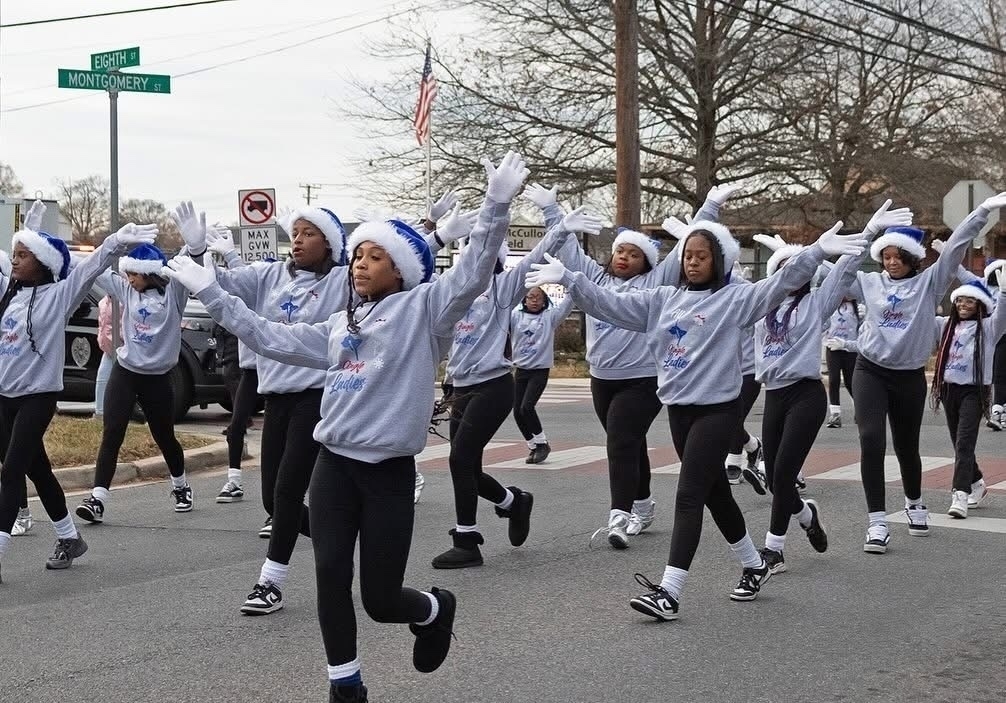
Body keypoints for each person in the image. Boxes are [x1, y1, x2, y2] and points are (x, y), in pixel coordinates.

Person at [163, 151, 528, 703]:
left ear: (402, 270)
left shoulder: (425, 311)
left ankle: (432, 608)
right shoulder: (338, 325)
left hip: (387, 475)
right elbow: (266, 336)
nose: (360, 264)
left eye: (376, 257)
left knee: (380, 600)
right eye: (357, 256)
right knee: (330, 575)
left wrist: (495, 205)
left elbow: (475, 270)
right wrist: (210, 290)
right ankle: (345, 683)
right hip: (334, 466)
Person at [527, 216, 867, 619]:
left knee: (688, 495)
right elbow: (612, 305)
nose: (692, 262)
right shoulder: (663, 299)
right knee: (714, 495)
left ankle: (669, 592)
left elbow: (777, 283)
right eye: (687, 255)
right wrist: (571, 279)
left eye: (701, 256)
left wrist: (814, 253)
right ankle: (754, 564)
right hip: (679, 412)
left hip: (718, 412)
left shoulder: (734, 301)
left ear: (718, 261)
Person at [553, 185, 738, 548]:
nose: (624, 257)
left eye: (634, 254)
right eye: (621, 250)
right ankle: (642, 504)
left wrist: (711, 206)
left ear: (648, 263)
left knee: (621, 439)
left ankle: (618, 517)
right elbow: (569, 258)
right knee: (628, 443)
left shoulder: (656, 284)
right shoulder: (598, 279)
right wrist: (552, 214)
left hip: (643, 379)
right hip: (601, 378)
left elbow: (693, 245)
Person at [431, 193, 601, 569]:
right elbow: (412, 273)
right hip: (460, 386)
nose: (477, 256)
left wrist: (559, 229)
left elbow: (535, 256)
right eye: (470, 249)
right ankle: (513, 502)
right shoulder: (452, 290)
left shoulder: (503, 287)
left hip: (493, 386)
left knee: (459, 458)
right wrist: (434, 230)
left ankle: (467, 541)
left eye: (484, 250)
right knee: (468, 467)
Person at [200, 205, 349, 613]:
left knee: (286, 492)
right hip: (277, 397)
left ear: (330, 244)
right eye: (295, 232)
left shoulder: (341, 279)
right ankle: (338, 537)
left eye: (309, 233)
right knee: (271, 498)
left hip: (316, 398)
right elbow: (222, 283)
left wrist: (434, 237)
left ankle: (270, 583)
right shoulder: (269, 275)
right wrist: (198, 251)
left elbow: (393, 275)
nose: (298, 240)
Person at [749, 200, 910, 574]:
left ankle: (774, 551)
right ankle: (806, 515)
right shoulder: (758, 306)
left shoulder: (818, 303)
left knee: (785, 473)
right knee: (774, 479)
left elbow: (845, 268)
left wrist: (870, 230)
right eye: (785, 269)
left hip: (805, 396)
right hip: (773, 395)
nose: (793, 274)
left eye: (799, 269)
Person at [0, 221, 159, 582]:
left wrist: (116, 243)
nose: (15, 260)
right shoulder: (10, 293)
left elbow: (91, 267)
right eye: (14, 254)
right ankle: (70, 538)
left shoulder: (59, 294)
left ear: (42, 262)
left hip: (37, 397)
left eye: (23, 255)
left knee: (11, 472)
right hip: (4, 398)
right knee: (35, 469)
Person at [848, 191, 1006, 554]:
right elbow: (838, 270)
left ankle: (915, 502)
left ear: (911, 259)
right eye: (885, 256)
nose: (891, 262)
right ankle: (876, 522)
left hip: (907, 375)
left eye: (897, 257)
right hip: (869, 368)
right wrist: (869, 232)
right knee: (871, 439)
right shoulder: (868, 283)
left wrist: (980, 212)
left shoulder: (928, 285)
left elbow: (954, 250)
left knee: (907, 446)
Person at [76, 228, 205, 523]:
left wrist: (195, 246)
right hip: (126, 372)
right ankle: (97, 499)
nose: (129, 279)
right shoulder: (124, 290)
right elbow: (92, 269)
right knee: (112, 433)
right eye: (128, 273)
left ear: (149, 273)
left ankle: (181, 485)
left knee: (164, 436)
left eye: (134, 274)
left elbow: (192, 266)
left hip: (158, 378)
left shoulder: (174, 293)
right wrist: (115, 244)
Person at [931, 277, 1006, 518]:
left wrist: (1003, 293)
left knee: (964, 443)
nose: (964, 304)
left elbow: (1002, 314)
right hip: (948, 390)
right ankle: (976, 483)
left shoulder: (989, 327)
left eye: (970, 300)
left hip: (974, 392)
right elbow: (920, 316)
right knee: (959, 443)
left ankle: (960, 494)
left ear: (980, 304)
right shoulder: (945, 325)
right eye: (960, 300)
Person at [510, 286, 574, 463]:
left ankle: (542, 443)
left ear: (545, 300)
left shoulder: (550, 317)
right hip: (521, 370)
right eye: (531, 297)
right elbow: (503, 307)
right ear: (524, 300)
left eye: (538, 297)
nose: (535, 301)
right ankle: (533, 445)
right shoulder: (515, 316)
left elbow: (568, 303)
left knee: (527, 407)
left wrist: (570, 283)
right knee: (517, 411)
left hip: (539, 370)